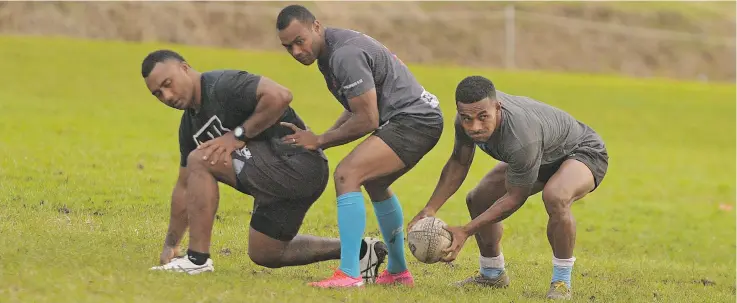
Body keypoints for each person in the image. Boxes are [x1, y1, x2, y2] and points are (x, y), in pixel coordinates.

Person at [141, 49, 387, 282]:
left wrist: (237, 135)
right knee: (266, 253)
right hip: (277, 179)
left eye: (167, 84)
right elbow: (184, 186)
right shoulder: (189, 127)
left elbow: (280, 95)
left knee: (200, 158)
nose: (167, 96)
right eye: (157, 94)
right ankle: (359, 250)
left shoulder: (223, 85)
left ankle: (197, 260)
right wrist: (171, 244)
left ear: (184, 68)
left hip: (298, 164)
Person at [275, 5, 444, 288]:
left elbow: (367, 119)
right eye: (287, 47)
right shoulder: (329, 53)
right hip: (417, 118)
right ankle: (398, 273)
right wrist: (322, 140)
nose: (295, 51)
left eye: (299, 41)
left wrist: (319, 140)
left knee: (346, 175)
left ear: (316, 26)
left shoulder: (344, 54)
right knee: (375, 183)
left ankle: (350, 274)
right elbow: (358, 105)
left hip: (414, 120)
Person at [409, 76, 609, 300]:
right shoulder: (466, 120)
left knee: (556, 196)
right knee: (478, 198)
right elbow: (459, 162)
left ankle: (561, 281)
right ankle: (492, 274)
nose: (474, 126)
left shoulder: (519, 137)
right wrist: (431, 208)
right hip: (540, 155)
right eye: (467, 118)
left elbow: (515, 198)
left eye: (483, 117)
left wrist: (466, 231)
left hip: (582, 151)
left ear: (497, 107)